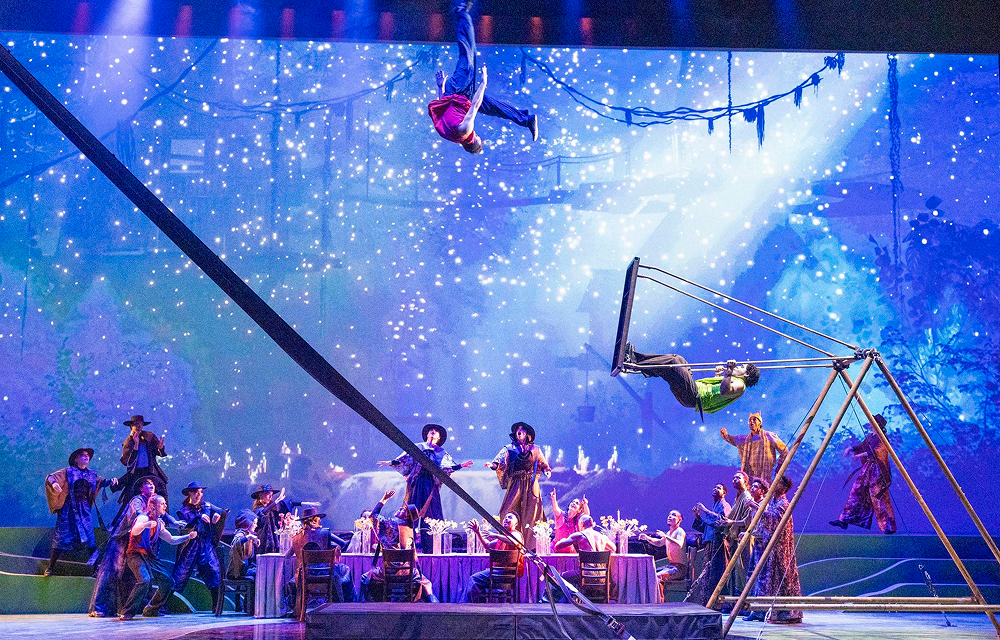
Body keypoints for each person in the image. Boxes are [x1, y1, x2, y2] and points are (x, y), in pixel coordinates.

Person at [427, 0, 538, 155]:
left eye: (478, 137)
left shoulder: (465, 131)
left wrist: (484, 82)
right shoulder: (451, 136)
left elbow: (475, 105)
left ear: (473, 141)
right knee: (493, 107)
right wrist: (440, 88)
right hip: (459, 97)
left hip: (459, 91)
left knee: (467, 51)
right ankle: (526, 119)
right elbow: (442, 111)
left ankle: (461, 12)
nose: (477, 134)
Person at [377, 424, 473, 553]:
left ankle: (431, 548)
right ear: (427, 434)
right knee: (411, 513)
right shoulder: (418, 447)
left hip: (430, 483)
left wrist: (460, 465)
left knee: (432, 514)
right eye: (431, 431)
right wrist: (390, 462)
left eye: (436, 432)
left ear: (439, 437)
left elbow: (447, 466)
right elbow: (404, 459)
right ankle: (407, 547)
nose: (433, 433)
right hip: (417, 482)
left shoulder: (441, 452)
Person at [623, 346, 760, 418]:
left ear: (746, 374)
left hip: (694, 397)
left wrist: (729, 371)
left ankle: (633, 362)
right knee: (679, 361)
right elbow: (718, 390)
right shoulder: (735, 382)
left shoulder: (741, 386)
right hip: (693, 393)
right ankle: (636, 361)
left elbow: (724, 391)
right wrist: (718, 375)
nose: (738, 366)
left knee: (674, 362)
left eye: (742, 367)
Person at [119, 495, 197, 620]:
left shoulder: (159, 524)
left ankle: (151, 609)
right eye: (162, 504)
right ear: (152, 506)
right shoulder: (143, 517)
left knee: (168, 581)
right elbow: (134, 531)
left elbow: (171, 539)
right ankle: (126, 612)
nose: (165, 506)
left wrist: (187, 537)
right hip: (135, 555)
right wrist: (145, 525)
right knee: (145, 580)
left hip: (148, 556)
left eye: (165, 504)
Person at [43, 447, 117, 576]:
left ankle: (95, 569)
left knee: (90, 537)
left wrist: (111, 481)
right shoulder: (68, 471)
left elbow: (101, 482)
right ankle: (50, 567)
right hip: (68, 508)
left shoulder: (91, 474)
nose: (86, 457)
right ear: (76, 459)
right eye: (83, 455)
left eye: (87, 455)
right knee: (62, 537)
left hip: (84, 509)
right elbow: (51, 477)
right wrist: (54, 484)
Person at [89, 476, 156, 617]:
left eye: (152, 485)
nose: (151, 486)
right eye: (148, 484)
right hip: (121, 539)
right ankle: (99, 607)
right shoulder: (137, 500)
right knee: (110, 572)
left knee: (129, 576)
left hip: (132, 542)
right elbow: (137, 513)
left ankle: (124, 608)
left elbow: (163, 516)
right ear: (141, 488)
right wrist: (147, 518)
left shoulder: (152, 503)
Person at [359, 490, 436, 602]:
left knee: (365, 577)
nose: (399, 508)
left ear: (406, 517)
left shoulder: (388, 524)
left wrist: (383, 500)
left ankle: (371, 604)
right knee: (426, 582)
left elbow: (373, 516)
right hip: (407, 573)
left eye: (402, 510)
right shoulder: (410, 530)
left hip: (388, 573)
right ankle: (431, 603)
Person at [487, 422, 551, 550]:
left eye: (522, 430)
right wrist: (492, 465)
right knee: (507, 509)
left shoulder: (536, 449)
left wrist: (547, 470)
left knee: (532, 513)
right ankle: (507, 544)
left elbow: (543, 463)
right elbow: (498, 461)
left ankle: (531, 546)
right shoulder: (509, 448)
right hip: (516, 481)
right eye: (517, 430)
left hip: (531, 483)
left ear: (527, 434)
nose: (519, 431)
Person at [830, 413, 896, 534]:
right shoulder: (871, 436)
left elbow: (878, 452)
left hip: (878, 471)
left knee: (879, 497)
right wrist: (851, 448)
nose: (870, 424)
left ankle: (888, 526)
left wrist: (861, 454)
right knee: (856, 493)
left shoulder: (882, 437)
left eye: (872, 422)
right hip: (868, 469)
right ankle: (844, 520)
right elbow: (862, 446)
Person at [752, 476, 803, 623]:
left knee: (783, 578)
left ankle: (787, 614)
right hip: (771, 544)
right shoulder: (773, 502)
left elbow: (774, 518)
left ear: (784, 487)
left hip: (781, 547)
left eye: (779, 482)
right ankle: (767, 612)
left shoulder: (783, 503)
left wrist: (756, 506)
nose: (775, 484)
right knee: (769, 579)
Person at [172, 482, 223, 611]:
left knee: (214, 572)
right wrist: (199, 517)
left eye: (200, 492)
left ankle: (216, 605)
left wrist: (217, 515)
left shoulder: (206, 505)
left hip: (205, 543)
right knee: (180, 574)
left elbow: (220, 511)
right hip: (190, 544)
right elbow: (186, 526)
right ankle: (164, 605)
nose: (198, 495)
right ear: (189, 493)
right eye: (195, 492)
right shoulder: (183, 511)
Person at [287, 507, 353, 605]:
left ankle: (298, 607)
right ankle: (341, 604)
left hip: (304, 576)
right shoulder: (325, 533)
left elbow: (287, 556)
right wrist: (336, 548)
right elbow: (343, 543)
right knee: (344, 569)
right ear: (315, 520)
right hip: (324, 574)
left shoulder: (296, 538)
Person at [687, 483, 731, 607]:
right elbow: (706, 527)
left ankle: (717, 603)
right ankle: (707, 602)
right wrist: (698, 516)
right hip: (709, 542)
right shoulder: (715, 506)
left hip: (717, 543)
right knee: (707, 573)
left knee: (714, 573)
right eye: (714, 487)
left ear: (724, 493)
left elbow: (723, 521)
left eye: (719, 488)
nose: (715, 489)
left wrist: (705, 510)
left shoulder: (725, 505)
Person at [464, 512, 524, 603]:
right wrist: (478, 532)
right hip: (499, 573)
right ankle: (480, 608)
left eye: (510, 517)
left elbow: (514, 541)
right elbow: (488, 546)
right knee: (478, 583)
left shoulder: (516, 534)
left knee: (474, 579)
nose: (506, 519)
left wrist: (496, 535)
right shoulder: (503, 536)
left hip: (504, 573)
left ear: (516, 523)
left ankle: (468, 607)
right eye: (505, 517)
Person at [114, 415, 168, 507]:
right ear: (131, 426)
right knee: (130, 498)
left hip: (150, 471)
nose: (139, 427)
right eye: (136, 424)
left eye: (141, 424)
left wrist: (160, 448)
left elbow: (159, 452)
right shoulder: (128, 442)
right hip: (136, 474)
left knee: (160, 492)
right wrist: (135, 445)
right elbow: (127, 462)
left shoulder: (149, 436)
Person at [251, 484, 319, 555]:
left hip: (273, 539)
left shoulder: (272, 506)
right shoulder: (258, 509)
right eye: (268, 495)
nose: (270, 497)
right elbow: (263, 512)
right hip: (263, 538)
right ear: (261, 495)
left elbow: (287, 503)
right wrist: (276, 501)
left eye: (271, 495)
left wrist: (305, 503)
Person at [720, 471, 756, 601]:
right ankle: (737, 601)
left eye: (738, 477)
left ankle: (747, 602)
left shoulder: (747, 497)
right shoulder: (738, 498)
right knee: (737, 571)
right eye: (733, 477)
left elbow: (748, 520)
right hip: (736, 538)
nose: (735, 479)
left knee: (744, 569)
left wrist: (732, 522)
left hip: (744, 538)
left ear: (745, 481)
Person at [720, 412, 788, 481]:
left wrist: (780, 465)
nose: (751, 422)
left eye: (754, 419)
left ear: (760, 423)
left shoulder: (769, 436)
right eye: (750, 420)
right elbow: (733, 439)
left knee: (762, 489)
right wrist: (725, 434)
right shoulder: (744, 439)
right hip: (749, 475)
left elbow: (784, 450)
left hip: (764, 475)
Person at [639, 510, 688, 583]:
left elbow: (679, 544)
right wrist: (647, 538)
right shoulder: (669, 533)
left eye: (674, 515)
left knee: (656, 576)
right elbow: (659, 543)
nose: (670, 516)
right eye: (669, 515)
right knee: (650, 573)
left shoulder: (680, 531)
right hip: (671, 566)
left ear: (679, 520)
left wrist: (666, 536)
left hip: (679, 569)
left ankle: (658, 594)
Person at [228, 510, 260, 614]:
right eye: (254, 523)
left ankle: (250, 606)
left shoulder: (248, 536)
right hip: (236, 571)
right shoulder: (241, 534)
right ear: (247, 523)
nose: (255, 525)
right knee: (256, 575)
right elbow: (235, 545)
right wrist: (249, 537)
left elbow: (250, 559)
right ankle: (250, 607)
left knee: (258, 572)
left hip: (244, 569)